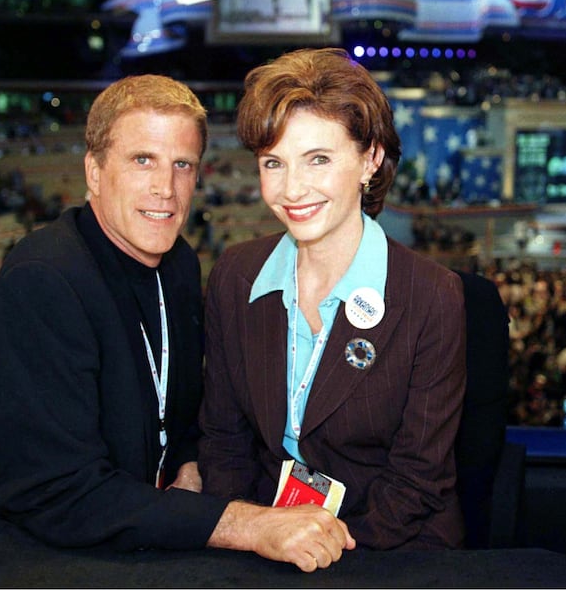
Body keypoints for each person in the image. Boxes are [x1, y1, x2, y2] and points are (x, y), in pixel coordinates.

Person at [0, 74, 353, 573]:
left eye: (182, 164)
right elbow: (57, 493)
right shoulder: (43, 281)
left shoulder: (179, 265)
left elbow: (177, 413)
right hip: (30, 561)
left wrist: (186, 464)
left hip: (136, 546)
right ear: (93, 171)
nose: (165, 188)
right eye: (143, 160)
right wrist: (246, 524)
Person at [198, 48, 468, 550]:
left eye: (318, 159)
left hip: (390, 546)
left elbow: (417, 478)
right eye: (273, 163)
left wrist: (327, 550)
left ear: (371, 159)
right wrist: (253, 533)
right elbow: (223, 441)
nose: (292, 189)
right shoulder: (236, 275)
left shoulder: (432, 296)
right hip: (266, 537)